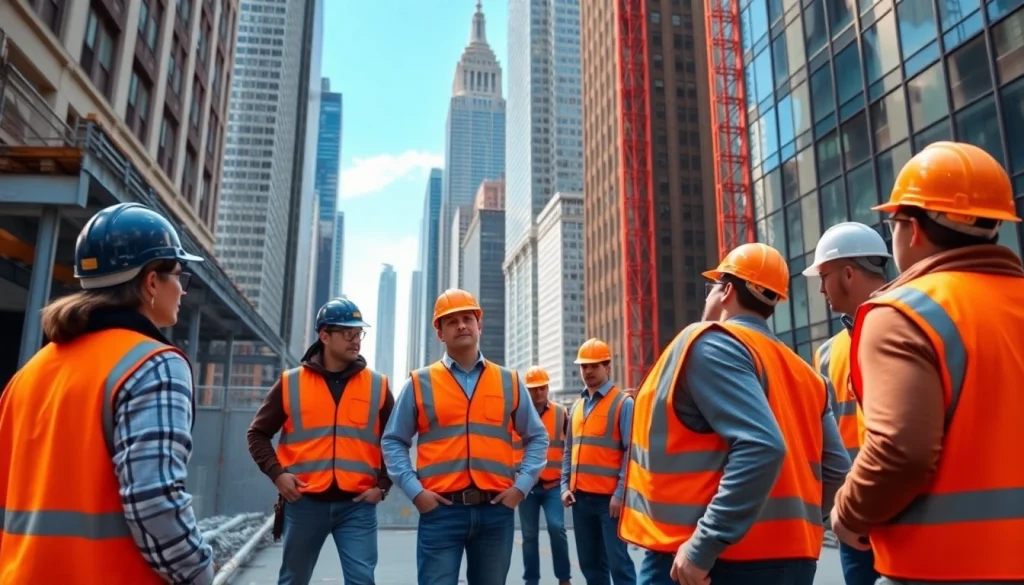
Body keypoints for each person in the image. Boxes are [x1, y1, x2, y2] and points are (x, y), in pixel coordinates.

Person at [831, 141, 1024, 583]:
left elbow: (900, 451)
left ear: (912, 230)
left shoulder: (901, 312)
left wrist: (847, 513)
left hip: (939, 567)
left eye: (893, 222)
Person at [0, 202, 214, 584]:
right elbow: (156, 502)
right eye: (179, 275)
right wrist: (199, 572)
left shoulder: (31, 373)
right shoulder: (154, 364)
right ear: (151, 282)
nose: (182, 290)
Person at [618, 242, 851, 585]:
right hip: (795, 559)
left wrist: (705, 545)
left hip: (709, 561)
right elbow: (836, 470)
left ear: (726, 290)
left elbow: (763, 446)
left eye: (711, 287)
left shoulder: (713, 344)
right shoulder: (806, 373)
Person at [381, 288, 549, 585]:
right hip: (440, 511)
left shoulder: (508, 381)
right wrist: (415, 492)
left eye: (467, 318)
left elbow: (537, 437)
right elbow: (393, 440)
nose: (461, 325)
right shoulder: (420, 382)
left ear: (479, 325)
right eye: (451, 321)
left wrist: (521, 488)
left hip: (496, 511)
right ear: (440, 333)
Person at [247, 297, 393, 585]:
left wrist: (383, 485)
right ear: (325, 336)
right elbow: (257, 434)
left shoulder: (378, 385)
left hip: (357, 505)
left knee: (362, 580)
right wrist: (278, 476)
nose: (356, 340)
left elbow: (395, 441)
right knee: (293, 580)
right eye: (348, 333)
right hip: (304, 502)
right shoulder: (291, 382)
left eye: (359, 333)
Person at [802, 222, 889, 585]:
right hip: (852, 518)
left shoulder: (911, 327)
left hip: (905, 514)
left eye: (824, 276)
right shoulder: (824, 355)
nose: (820, 287)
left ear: (849, 274)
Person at [561, 338, 637, 585]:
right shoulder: (577, 407)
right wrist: (564, 486)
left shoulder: (623, 403)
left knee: (619, 564)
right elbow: (568, 450)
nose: (588, 371)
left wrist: (619, 494)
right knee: (590, 565)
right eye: (584, 366)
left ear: (607, 367)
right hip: (580, 500)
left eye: (594, 365)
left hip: (609, 503)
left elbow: (631, 452)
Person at [517, 366, 572, 585]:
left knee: (556, 527)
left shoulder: (561, 413)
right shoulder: (519, 415)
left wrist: (567, 481)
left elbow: (570, 448)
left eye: (542, 388)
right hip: (527, 487)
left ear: (548, 388)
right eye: (534, 389)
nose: (539, 393)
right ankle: (531, 580)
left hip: (553, 485)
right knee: (529, 536)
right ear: (527, 391)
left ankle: (564, 578)